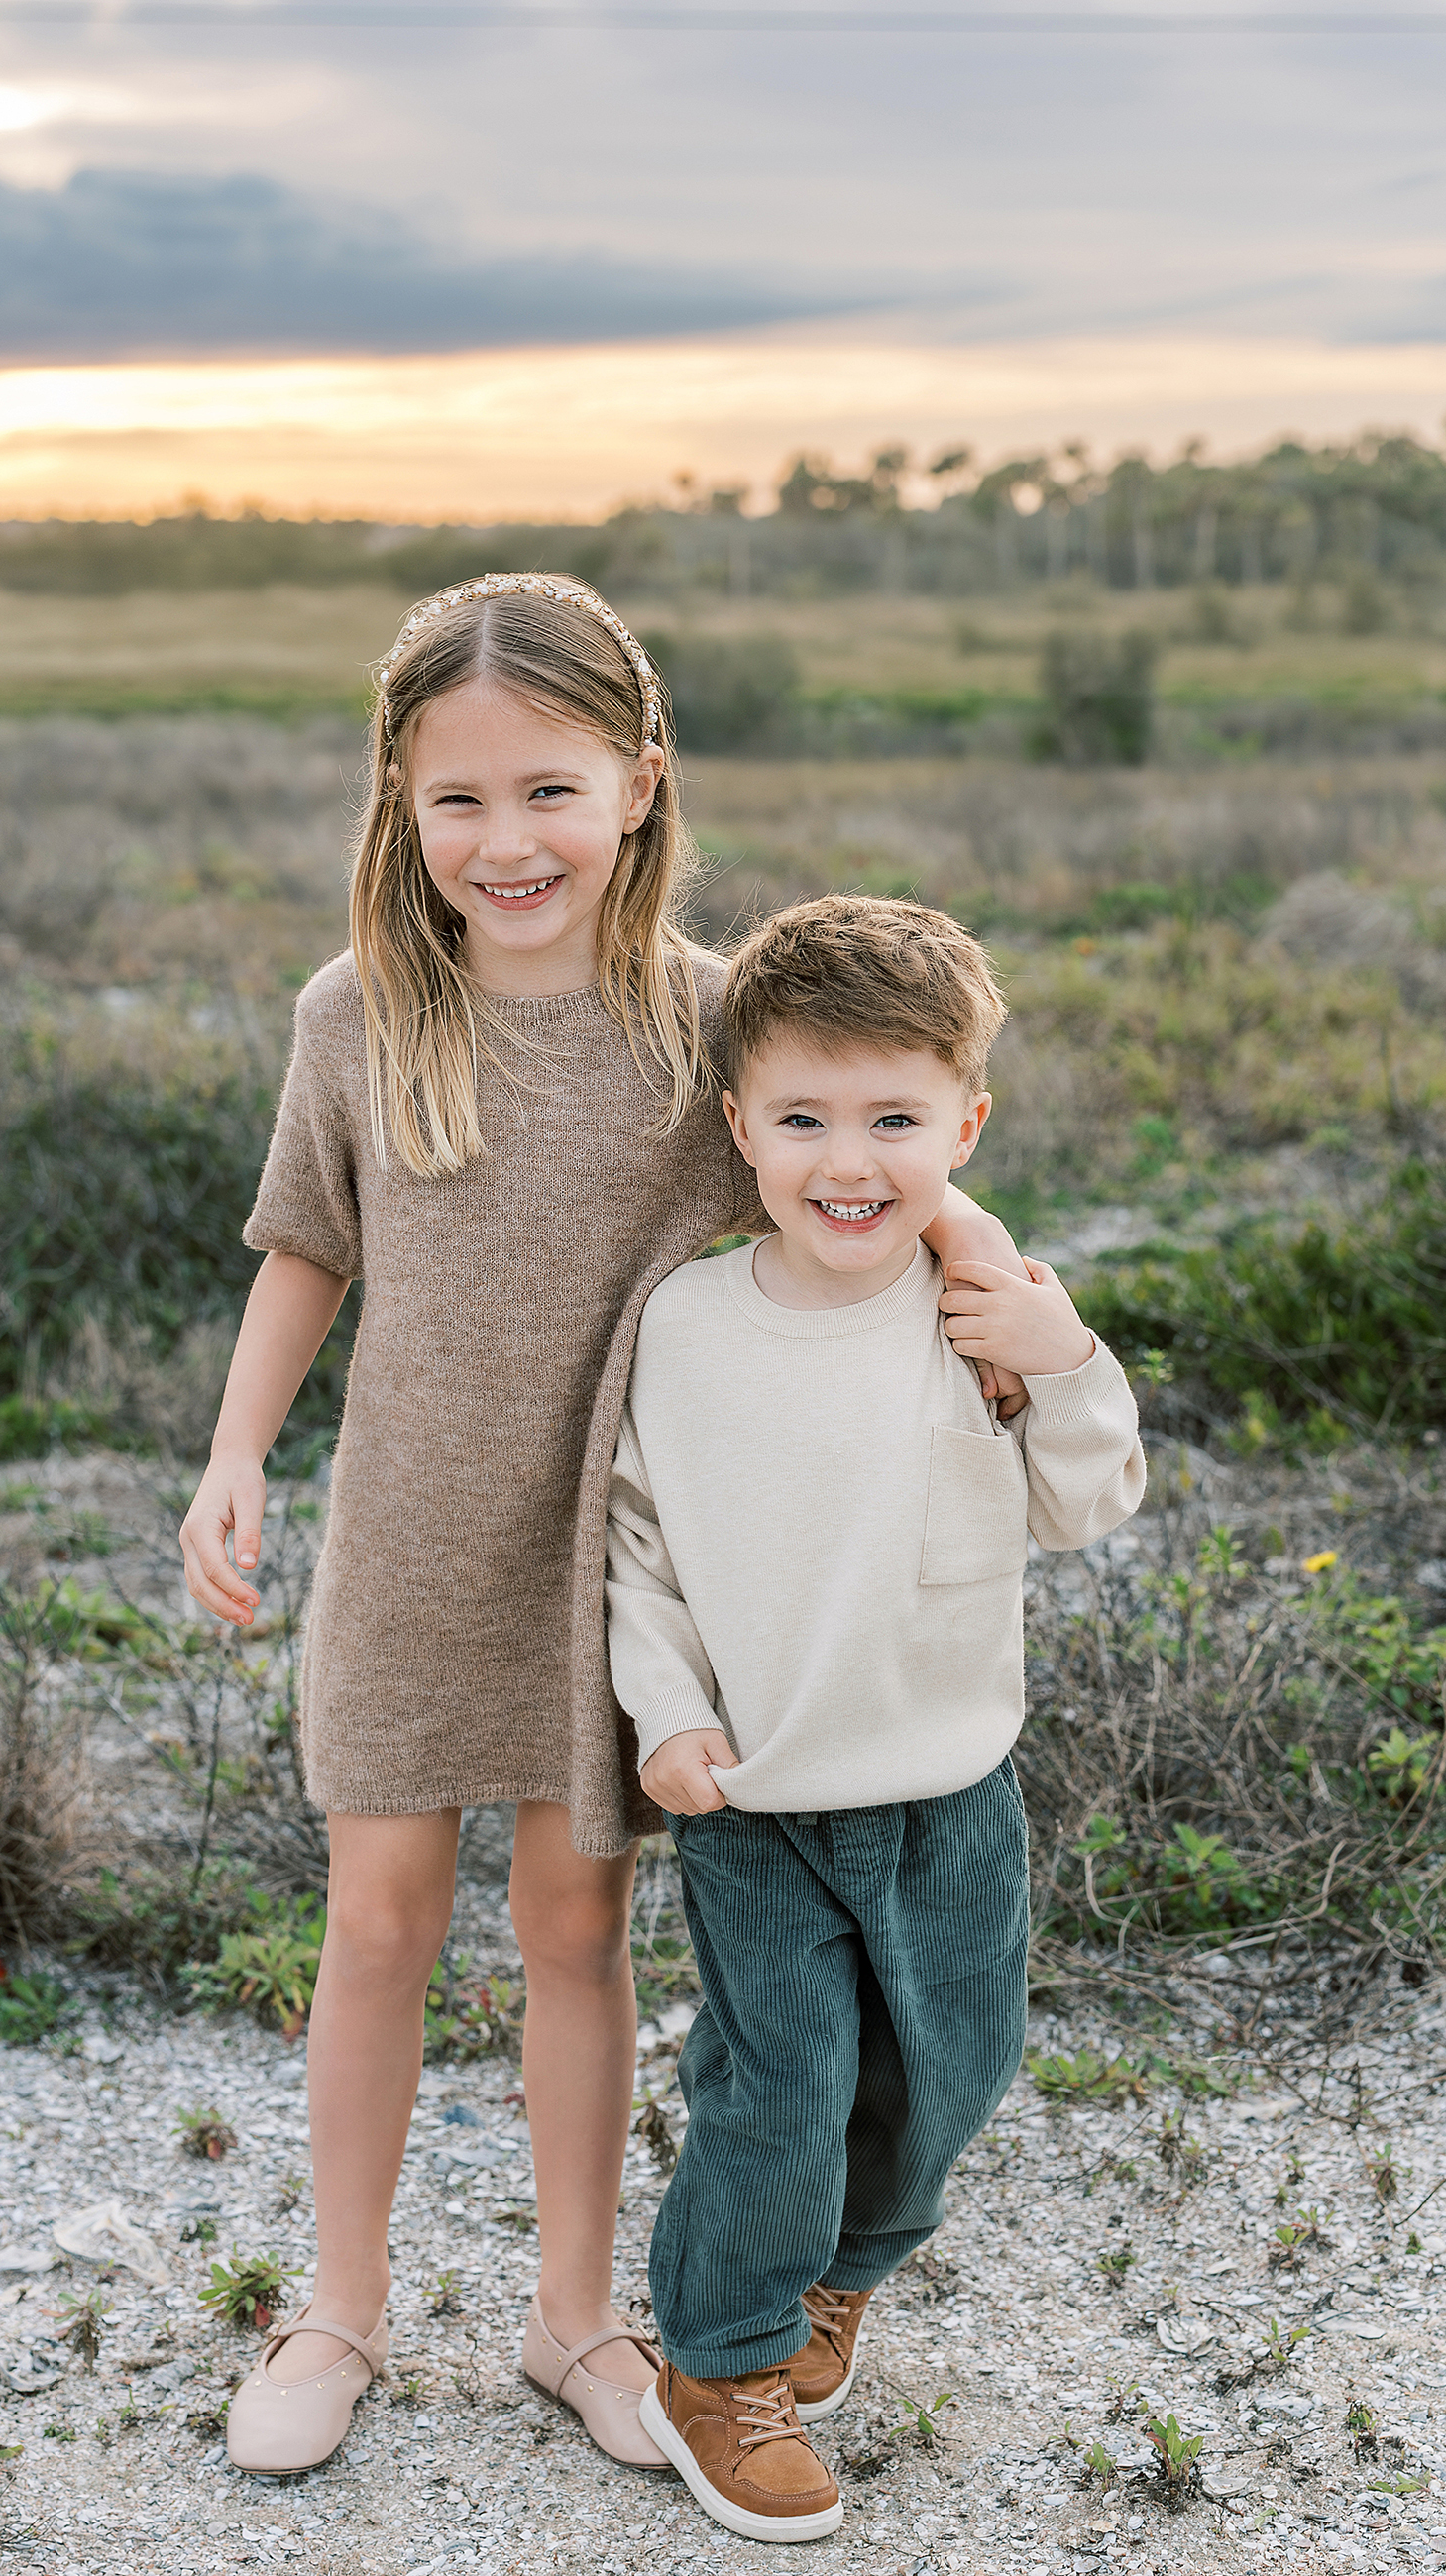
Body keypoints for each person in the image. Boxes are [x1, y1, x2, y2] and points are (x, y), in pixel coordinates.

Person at [176, 581, 1033, 2479]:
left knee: (574, 1929)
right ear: (396, 802)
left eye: (549, 790)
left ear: (640, 786)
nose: (506, 843)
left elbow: (873, 1156)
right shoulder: (357, 1017)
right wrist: (235, 1452)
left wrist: (999, 1282)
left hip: (624, 1563)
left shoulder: (714, 1020)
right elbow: (305, 1246)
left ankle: (579, 2328)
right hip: (408, 1537)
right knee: (378, 1924)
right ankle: (340, 2313)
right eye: (456, 800)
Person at [605, 892, 1147, 2543]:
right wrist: (665, 1712)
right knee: (778, 2085)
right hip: (759, 1795)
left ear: (963, 1124)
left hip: (947, 1790)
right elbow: (638, 1547)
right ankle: (719, 2363)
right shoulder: (689, 1329)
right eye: (804, 1120)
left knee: (954, 2072)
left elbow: (1087, 1507)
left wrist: (1059, 1354)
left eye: (896, 1120)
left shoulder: (984, 1317)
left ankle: (838, 2273)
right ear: (738, 1128)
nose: (850, 1161)